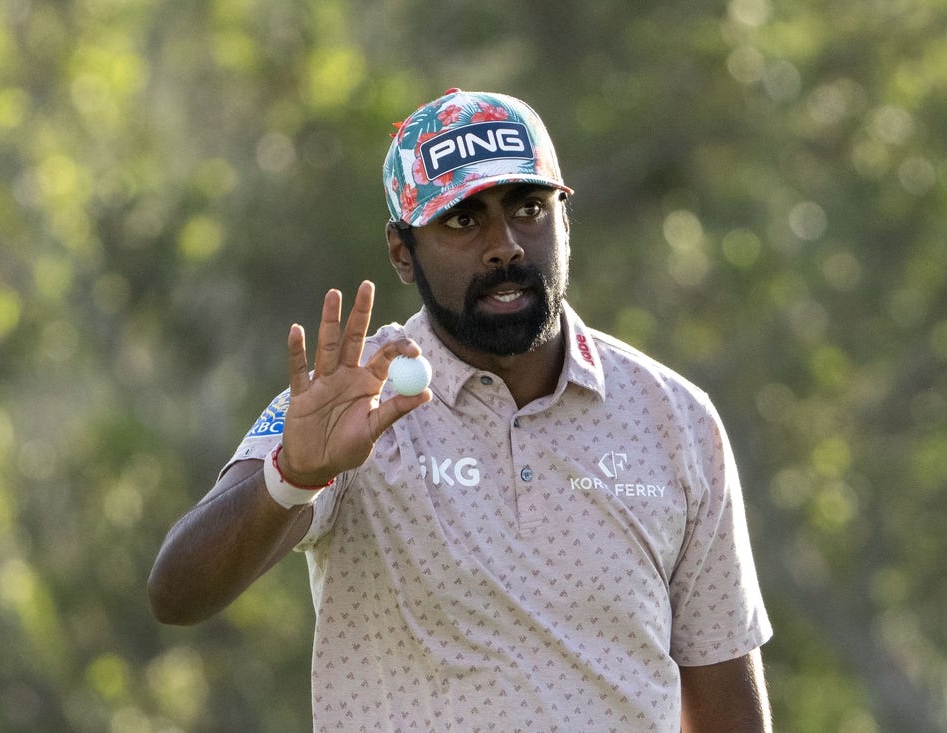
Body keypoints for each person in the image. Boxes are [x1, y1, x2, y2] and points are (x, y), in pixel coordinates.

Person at [149, 88, 773, 732]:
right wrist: (294, 476)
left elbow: (726, 702)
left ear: (564, 219)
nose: (504, 246)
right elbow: (177, 592)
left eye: (528, 208)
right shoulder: (351, 401)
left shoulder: (676, 421)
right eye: (462, 220)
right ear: (401, 252)